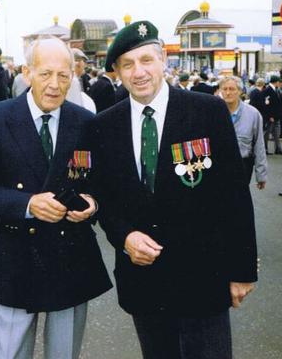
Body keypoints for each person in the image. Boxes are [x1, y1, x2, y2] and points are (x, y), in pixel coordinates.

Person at [89, 20, 257, 359]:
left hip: (203, 276)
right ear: (117, 72)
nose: (138, 72)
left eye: (146, 60)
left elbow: (234, 194)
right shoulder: (105, 125)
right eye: (127, 64)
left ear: (163, 59)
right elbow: (104, 198)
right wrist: (124, 237)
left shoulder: (206, 110)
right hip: (144, 279)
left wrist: (242, 271)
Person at [0, 37, 111, 359]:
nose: (55, 85)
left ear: (74, 76)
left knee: (64, 353)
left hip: (70, 255)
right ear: (27, 73)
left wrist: (93, 205)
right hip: (15, 255)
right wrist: (28, 205)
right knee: (10, 353)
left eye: (64, 75)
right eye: (46, 74)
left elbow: (101, 184)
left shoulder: (86, 122)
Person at [218, 76, 267, 189]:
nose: (228, 93)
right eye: (224, 89)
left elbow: (259, 145)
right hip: (219, 165)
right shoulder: (213, 112)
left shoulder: (253, 114)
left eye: (232, 89)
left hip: (243, 165)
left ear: (240, 91)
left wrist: (261, 175)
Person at [262, 75, 282, 155]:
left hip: (276, 116)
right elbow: (266, 104)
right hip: (271, 116)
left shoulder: (276, 90)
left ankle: (278, 149)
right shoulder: (268, 90)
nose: (280, 83)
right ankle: (265, 149)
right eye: (279, 82)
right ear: (276, 82)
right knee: (267, 134)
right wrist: (270, 116)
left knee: (276, 134)